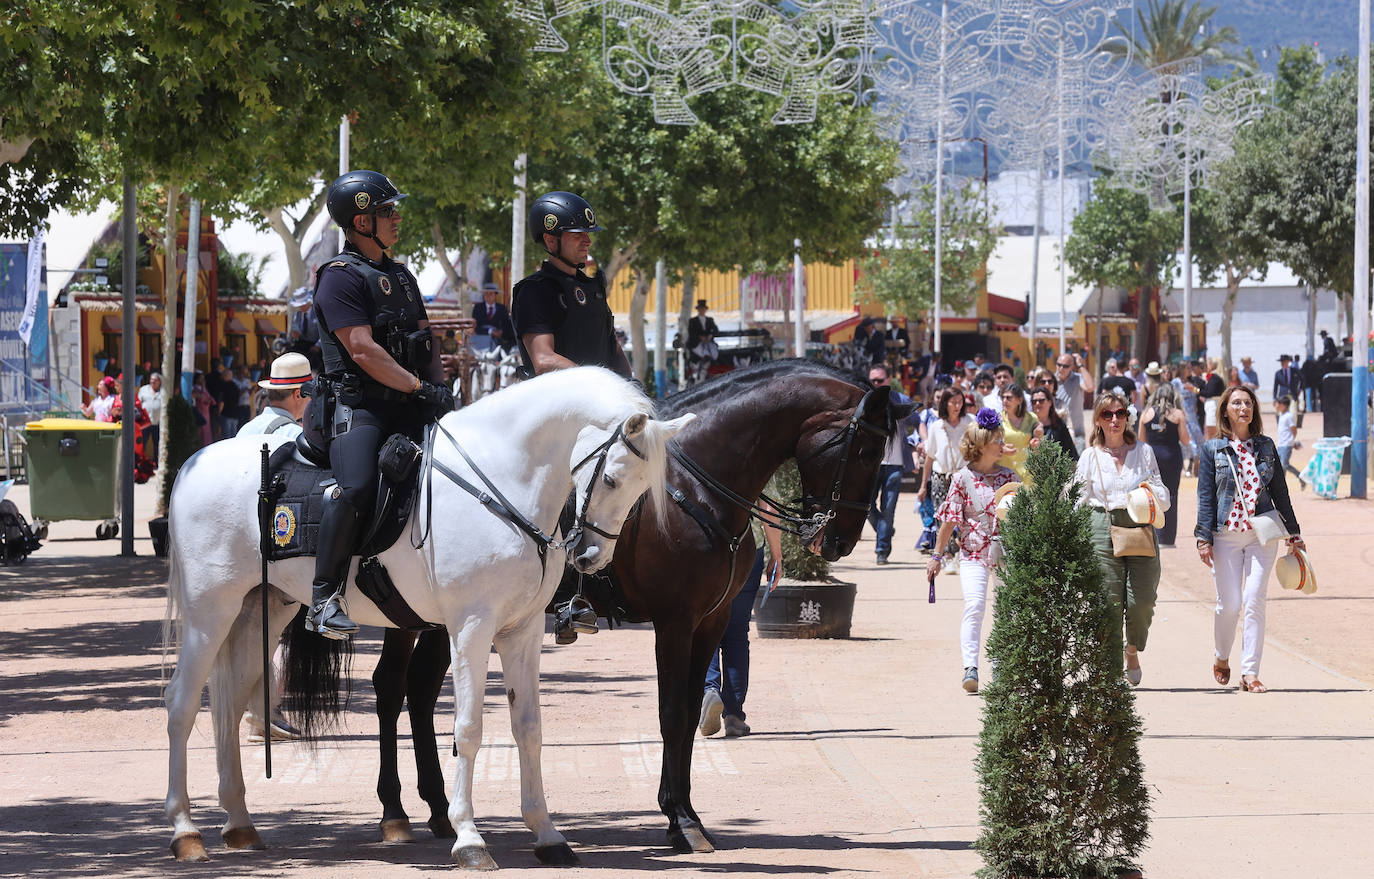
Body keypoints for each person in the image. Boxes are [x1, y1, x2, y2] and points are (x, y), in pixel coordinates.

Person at [303, 170, 453, 640]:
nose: (396, 217)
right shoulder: (338, 278)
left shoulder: (402, 275)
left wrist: (442, 392)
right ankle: (324, 598)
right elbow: (362, 350)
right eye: (386, 211)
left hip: (411, 401)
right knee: (358, 488)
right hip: (358, 408)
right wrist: (417, 388)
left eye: (393, 209)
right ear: (359, 221)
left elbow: (426, 343)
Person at [510, 190, 631, 642]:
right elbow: (543, 359)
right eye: (576, 233)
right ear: (549, 240)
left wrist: (631, 388)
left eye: (587, 233)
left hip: (601, 409)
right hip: (555, 416)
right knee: (566, 500)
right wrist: (603, 386)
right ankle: (566, 599)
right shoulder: (533, 291)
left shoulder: (593, 285)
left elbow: (611, 344)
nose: (586, 240)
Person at [1195, 386, 1305, 693]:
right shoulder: (1212, 449)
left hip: (1261, 535)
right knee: (1229, 605)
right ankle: (1221, 656)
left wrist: (1294, 533)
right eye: (1237, 403)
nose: (1243, 407)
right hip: (1225, 536)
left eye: (1248, 403)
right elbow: (1206, 497)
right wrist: (1203, 538)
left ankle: (1250, 672)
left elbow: (1281, 493)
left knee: (1255, 600)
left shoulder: (1266, 446)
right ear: (1226, 410)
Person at [237, 352, 313, 742]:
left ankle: (260, 709)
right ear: (301, 394)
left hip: (239, 547)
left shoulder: (244, 432)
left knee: (252, 631)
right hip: (280, 548)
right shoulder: (293, 438)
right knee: (280, 631)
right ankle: (265, 708)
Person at [1075, 391, 1169, 686]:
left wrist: (1151, 495)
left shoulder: (1143, 452)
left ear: (1128, 417)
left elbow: (1162, 495)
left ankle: (1132, 649)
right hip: (1100, 524)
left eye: (1120, 413)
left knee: (1142, 600)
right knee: (1108, 601)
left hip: (1139, 523)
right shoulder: (1090, 456)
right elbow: (1077, 498)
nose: (1114, 420)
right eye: (1107, 414)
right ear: (1098, 421)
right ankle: (1111, 664)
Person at [927, 408, 1020, 694]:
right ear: (981, 446)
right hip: (973, 555)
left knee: (1008, 611)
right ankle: (971, 667)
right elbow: (949, 521)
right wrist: (936, 557)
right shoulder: (961, 479)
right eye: (997, 440)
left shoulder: (1009, 477)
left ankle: (1002, 665)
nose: (1002, 444)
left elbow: (1021, 515)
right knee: (975, 606)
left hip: (1006, 555)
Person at [700, 502, 782, 738]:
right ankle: (734, 714)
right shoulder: (757, 462)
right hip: (748, 547)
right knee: (736, 633)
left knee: (708, 624)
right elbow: (769, 508)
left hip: (707, 544)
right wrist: (776, 554)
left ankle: (709, 691)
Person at [915, 387, 975, 565]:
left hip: (965, 476)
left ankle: (961, 549)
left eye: (960, 402)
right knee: (944, 517)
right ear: (945, 404)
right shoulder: (936, 427)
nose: (957, 406)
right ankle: (947, 554)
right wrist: (923, 485)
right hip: (941, 477)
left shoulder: (971, 423)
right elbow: (930, 458)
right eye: (953, 402)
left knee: (966, 515)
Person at [866, 365, 915, 565]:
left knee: (888, 509)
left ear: (888, 380)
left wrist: (917, 442)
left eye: (879, 380)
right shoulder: (865, 400)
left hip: (894, 464)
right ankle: (885, 530)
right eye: (873, 380)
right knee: (866, 506)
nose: (876, 384)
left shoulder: (900, 401)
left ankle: (882, 550)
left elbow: (918, 419)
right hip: (871, 464)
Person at [1139, 382, 1190, 547]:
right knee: (1172, 495)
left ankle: (1154, 535)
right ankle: (1167, 539)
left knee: (1152, 495)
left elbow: (1141, 440)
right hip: (1172, 457)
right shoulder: (1178, 414)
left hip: (1153, 457)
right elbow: (1185, 440)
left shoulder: (1145, 414)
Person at [997, 384, 1042, 480]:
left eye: (1009, 398)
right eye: (1003, 397)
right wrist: (1000, 448)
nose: (1005, 401)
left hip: (1027, 473)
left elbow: (1038, 441)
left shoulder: (1031, 418)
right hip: (1004, 473)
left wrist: (1037, 441)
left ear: (1020, 400)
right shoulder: (998, 419)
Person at [1030, 385, 1077, 462]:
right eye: (1034, 401)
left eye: (1041, 400)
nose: (1037, 403)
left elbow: (1070, 451)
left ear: (1050, 402)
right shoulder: (1029, 424)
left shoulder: (1059, 425)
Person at [288, 286, 323, 371]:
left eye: (303, 304)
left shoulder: (318, 313)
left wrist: (317, 346)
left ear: (308, 302)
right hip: (302, 347)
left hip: (316, 349)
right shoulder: (296, 315)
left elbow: (324, 333)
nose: (301, 307)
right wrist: (294, 336)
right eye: (299, 305)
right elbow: (293, 335)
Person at [471, 283, 515, 351]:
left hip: (498, 342)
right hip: (481, 340)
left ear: (495, 295)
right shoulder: (477, 308)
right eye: (486, 294)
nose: (488, 296)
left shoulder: (502, 308)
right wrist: (490, 331)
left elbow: (506, 325)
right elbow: (475, 326)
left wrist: (501, 332)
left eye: (491, 294)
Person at [1273, 395, 1303, 484]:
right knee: (1279, 466)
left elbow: (1294, 429)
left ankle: (1300, 476)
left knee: (1284, 465)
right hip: (1281, 444)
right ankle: (1281, 484)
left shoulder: (1289, 416)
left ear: (1283, 405)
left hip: (1287, 444)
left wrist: (1291, 441)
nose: (1276, 406)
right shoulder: (1281, 416)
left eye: (1278, 404)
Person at [135, 373, 164, 461]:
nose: (152, 381)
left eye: (155, 380)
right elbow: (138, 404)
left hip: (158, 423)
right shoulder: (143, 390)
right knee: (142, 444)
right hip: (145, 423)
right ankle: (140, 462)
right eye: (151, 379)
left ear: (160, 381)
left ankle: (157, 463)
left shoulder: (164, 391)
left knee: (158, 445)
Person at [1198, 358, 1226, 440]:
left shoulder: (1215, 378)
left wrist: (1196, 390)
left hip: (1213, 406)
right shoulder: (1219, 377)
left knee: (1211, 433)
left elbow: (1209, 392)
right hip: (1215, 404)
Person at [686, 299, 720, 363]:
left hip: (708, 341)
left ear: (705, 310)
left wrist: (711, 335)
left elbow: (716, 330)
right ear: (698, 310)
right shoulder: (693, 321)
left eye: (703, 309)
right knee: (702, 351)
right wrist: (700, 337)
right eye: (700, 309)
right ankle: (705, 357)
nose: (702, 310)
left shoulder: (710, 320)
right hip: (697, 342)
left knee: (713, 352)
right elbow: (691, 332)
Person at [191, 371, 214, 447]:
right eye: (201, 379)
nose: (203, 380)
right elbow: (201, 397)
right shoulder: (195, 388)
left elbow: (211, 400)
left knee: (207, 431)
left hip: (206, 412)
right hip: (200, 410)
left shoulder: (204, 389)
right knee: (201, 431)